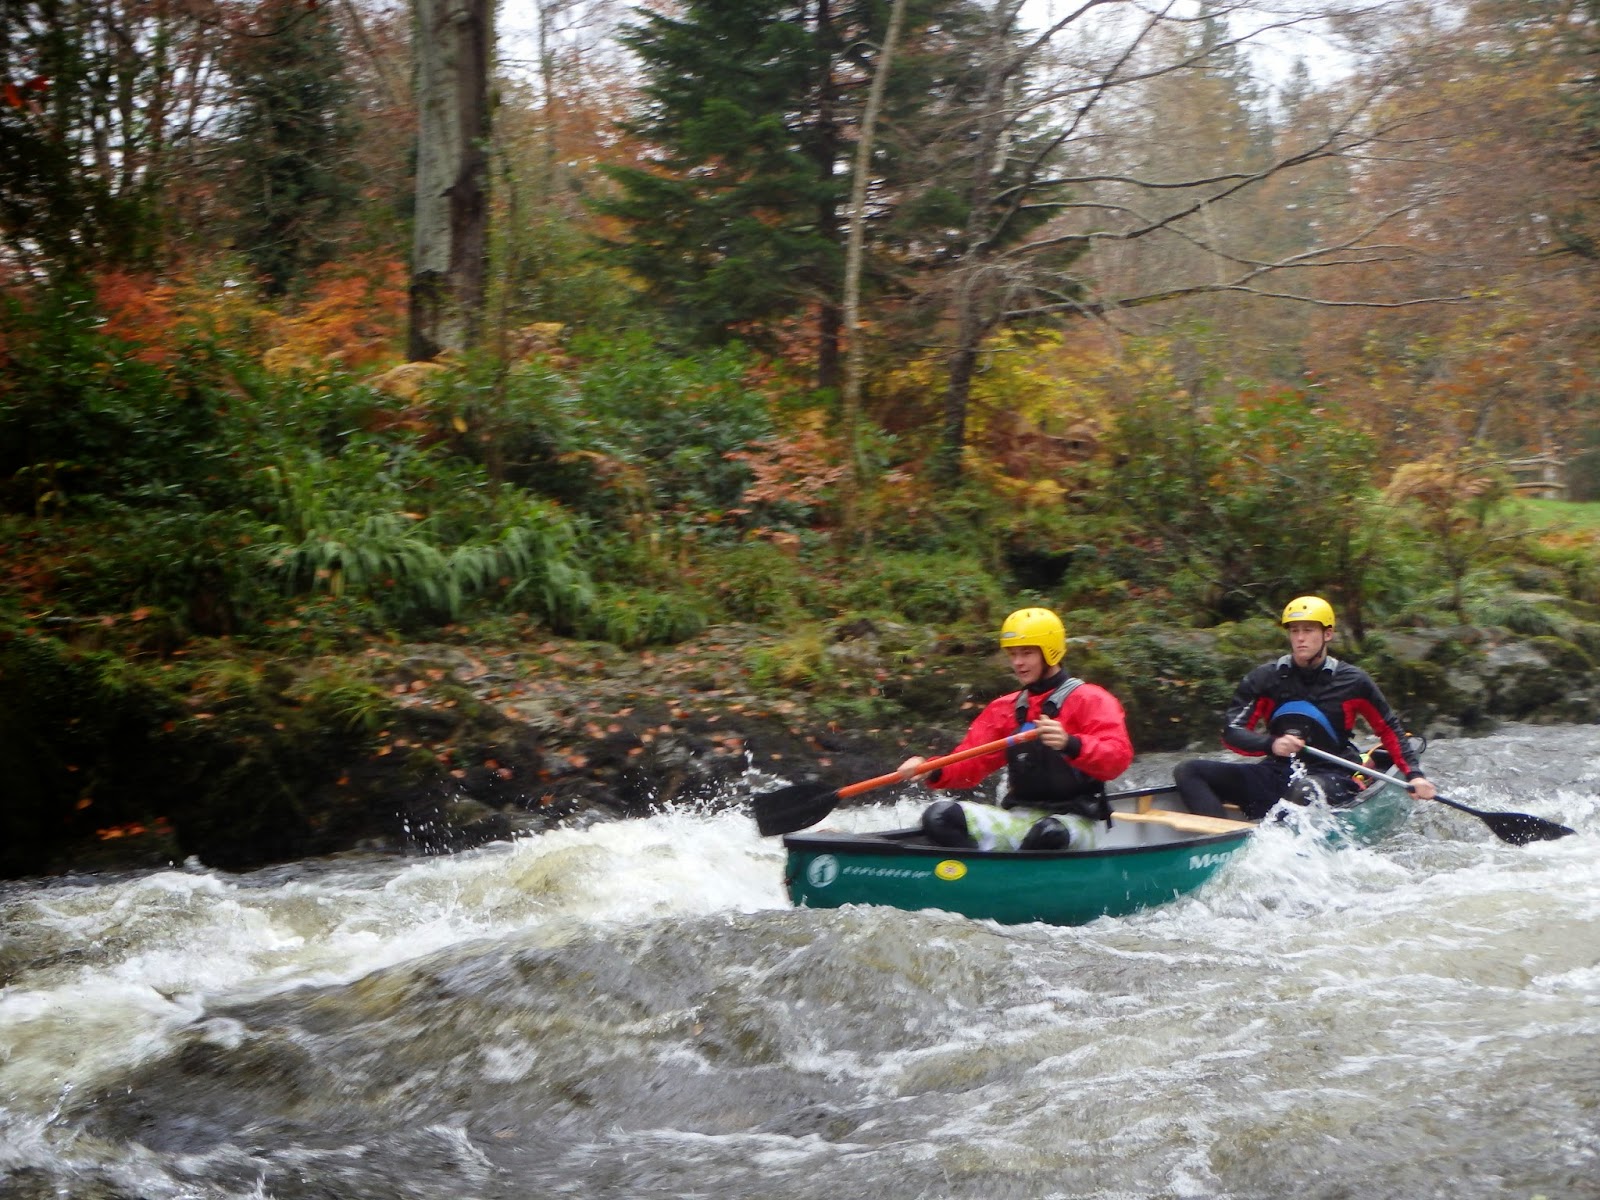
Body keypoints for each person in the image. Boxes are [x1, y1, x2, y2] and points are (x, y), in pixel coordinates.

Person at [1174, 595, 1437, 820]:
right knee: (1189, 771)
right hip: (1277, 771)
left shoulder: (1353, 681)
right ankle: (1219, 843)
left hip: (1334, 774)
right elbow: (1232, 732)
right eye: (1294, 630)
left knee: (1304, 789)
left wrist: (1414, 775)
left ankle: (1273, 840)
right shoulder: (1265, 678)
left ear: (1327, 634)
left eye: (1309, 630)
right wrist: (1271, 744)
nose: (1300, 638)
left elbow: (1388, 728)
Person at [896, 607, 1135, 851]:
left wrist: (1070, 743)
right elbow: (970, 762)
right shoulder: (1005, 709)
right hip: (1022, 817)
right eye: (1013, 654)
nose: (1018, 663)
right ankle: (981, 875)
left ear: (1050, 653)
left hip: (1078, 821)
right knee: (940, 816)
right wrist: (932, 770)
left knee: (1047, 833)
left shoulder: (1091, 699)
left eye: (1027, 653)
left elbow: (1117, 759)